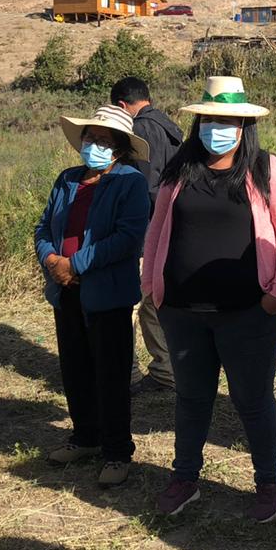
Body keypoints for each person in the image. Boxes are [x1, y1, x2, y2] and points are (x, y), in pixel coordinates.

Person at [142, 76, 276, 523]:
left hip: (249, 312)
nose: (217, 128)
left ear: (243, 126)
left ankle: (269, 481)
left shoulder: (266, 169)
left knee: (252, 399)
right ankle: (185, 477)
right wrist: (153, 287)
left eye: (227, 121)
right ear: (198, 123)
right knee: (191, 398)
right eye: (210, 119)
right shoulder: (180, 169)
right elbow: (157, 230)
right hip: (182, 310)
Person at [36, 105, 150, 487]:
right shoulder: (67, 179)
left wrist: (76, 264)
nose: (95, 146)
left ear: (118, 149)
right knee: (75, 367)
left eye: (104, 141)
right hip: (65, 290)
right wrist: (52, 260)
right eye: (90, 139)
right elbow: (43, 227)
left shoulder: (130, 182)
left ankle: (117, 451)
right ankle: (85, 437)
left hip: (107, 293)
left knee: (112, 373)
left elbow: (128, 237)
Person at [111, 76, 184, 394]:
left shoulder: (139, 130)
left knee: (128, 304)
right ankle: (166, 371)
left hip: (145, 232)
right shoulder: (170, 126)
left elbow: (145, 186)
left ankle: (125, 374)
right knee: (155, 302)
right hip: (169, 229)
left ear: (121, 106)